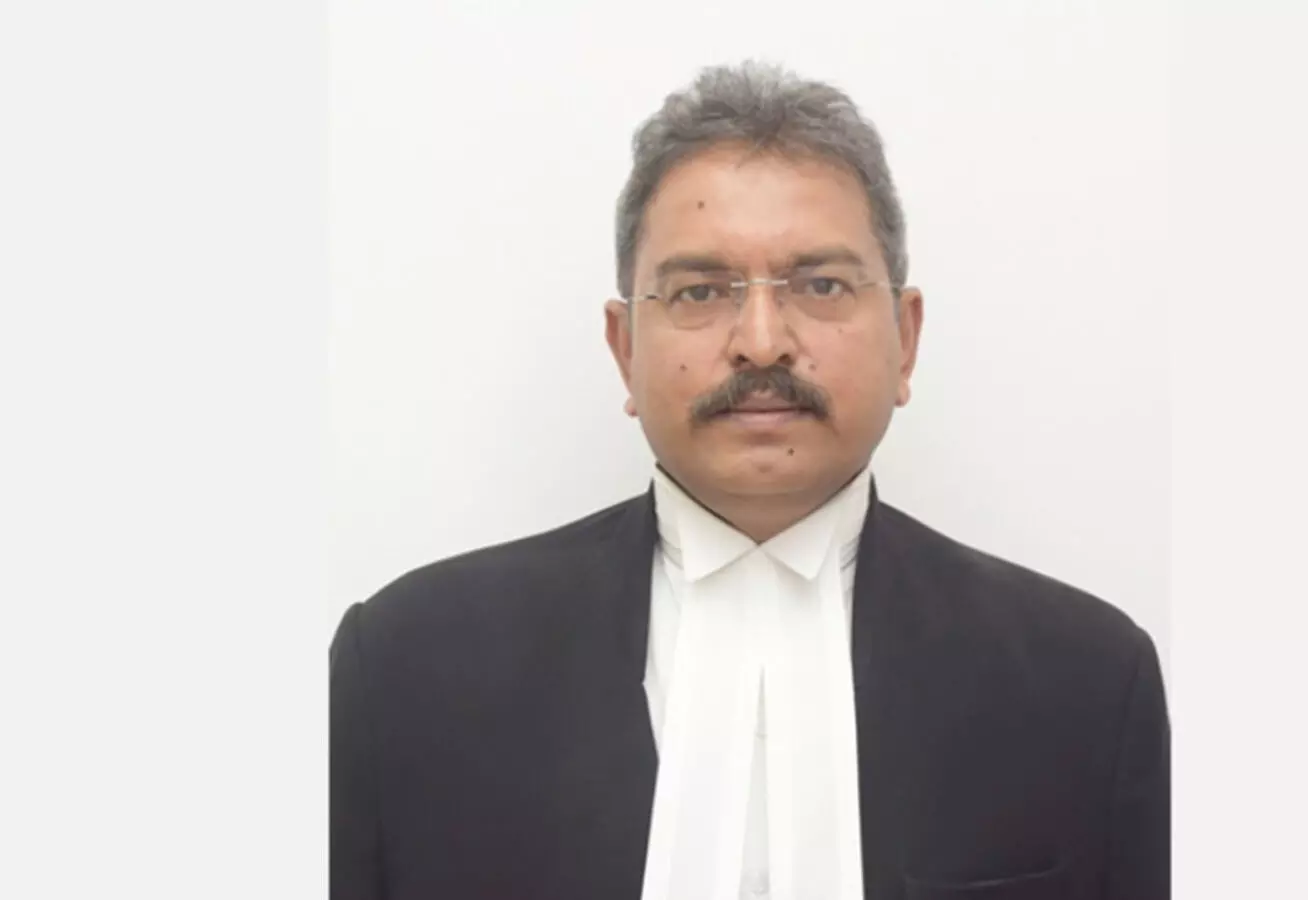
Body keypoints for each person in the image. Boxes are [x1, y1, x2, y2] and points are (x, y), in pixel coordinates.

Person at [331, 60, 1169, 900]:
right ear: (624, 349)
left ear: (906, 339)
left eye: (821, 285)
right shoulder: (404, 667)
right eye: (700, 290)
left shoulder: (1087, 684)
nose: (762, 342)